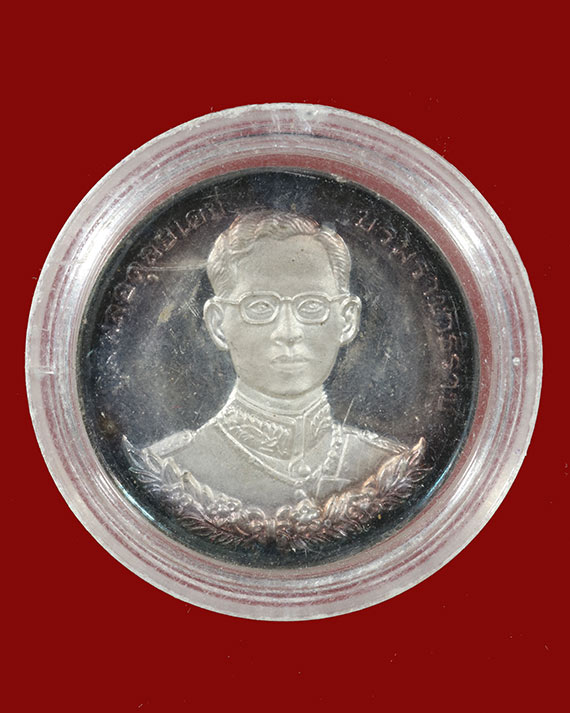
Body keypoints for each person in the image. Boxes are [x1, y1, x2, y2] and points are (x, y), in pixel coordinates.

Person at [130, 211, 424, 515]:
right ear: (218, 324)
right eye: (259, 306)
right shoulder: (171, 468)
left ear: (347, 320)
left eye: (312, 305)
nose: (288, 332)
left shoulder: (388, 465)